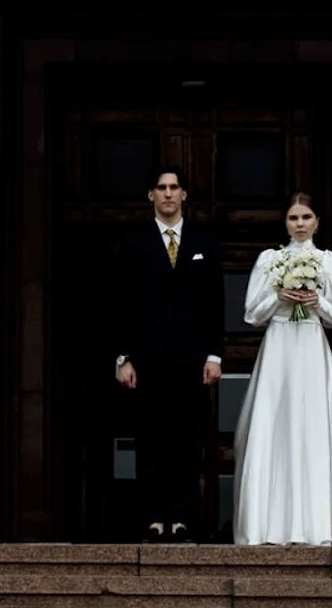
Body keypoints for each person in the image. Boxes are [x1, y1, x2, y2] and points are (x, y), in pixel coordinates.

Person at [110, 167, 225, 542]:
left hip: (192, 361)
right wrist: (122, 357)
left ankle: (182, 520)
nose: (168, 194)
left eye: (174, 187)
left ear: (185, 194)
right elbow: (121, 303)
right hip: (147, 360)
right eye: (161, 188)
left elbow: (215, 302)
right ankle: (154, 519)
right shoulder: (134, 242)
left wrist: (215, 355)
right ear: (151, 196)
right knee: (151, 440)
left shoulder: (205, 241)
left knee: (187, 441)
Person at [231, 193, 332, 545]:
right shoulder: (271, 259)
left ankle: (310, 528)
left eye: (306, 217)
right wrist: (278, 297)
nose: (299, 224)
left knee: (310, 430)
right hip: (279, 348)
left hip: (311, 347)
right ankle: (263, 526)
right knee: (272, 425)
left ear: (317, 222)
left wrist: (319, 302)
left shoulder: (328, 261)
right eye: (293, 218)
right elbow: (252, 313)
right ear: (285, 222)